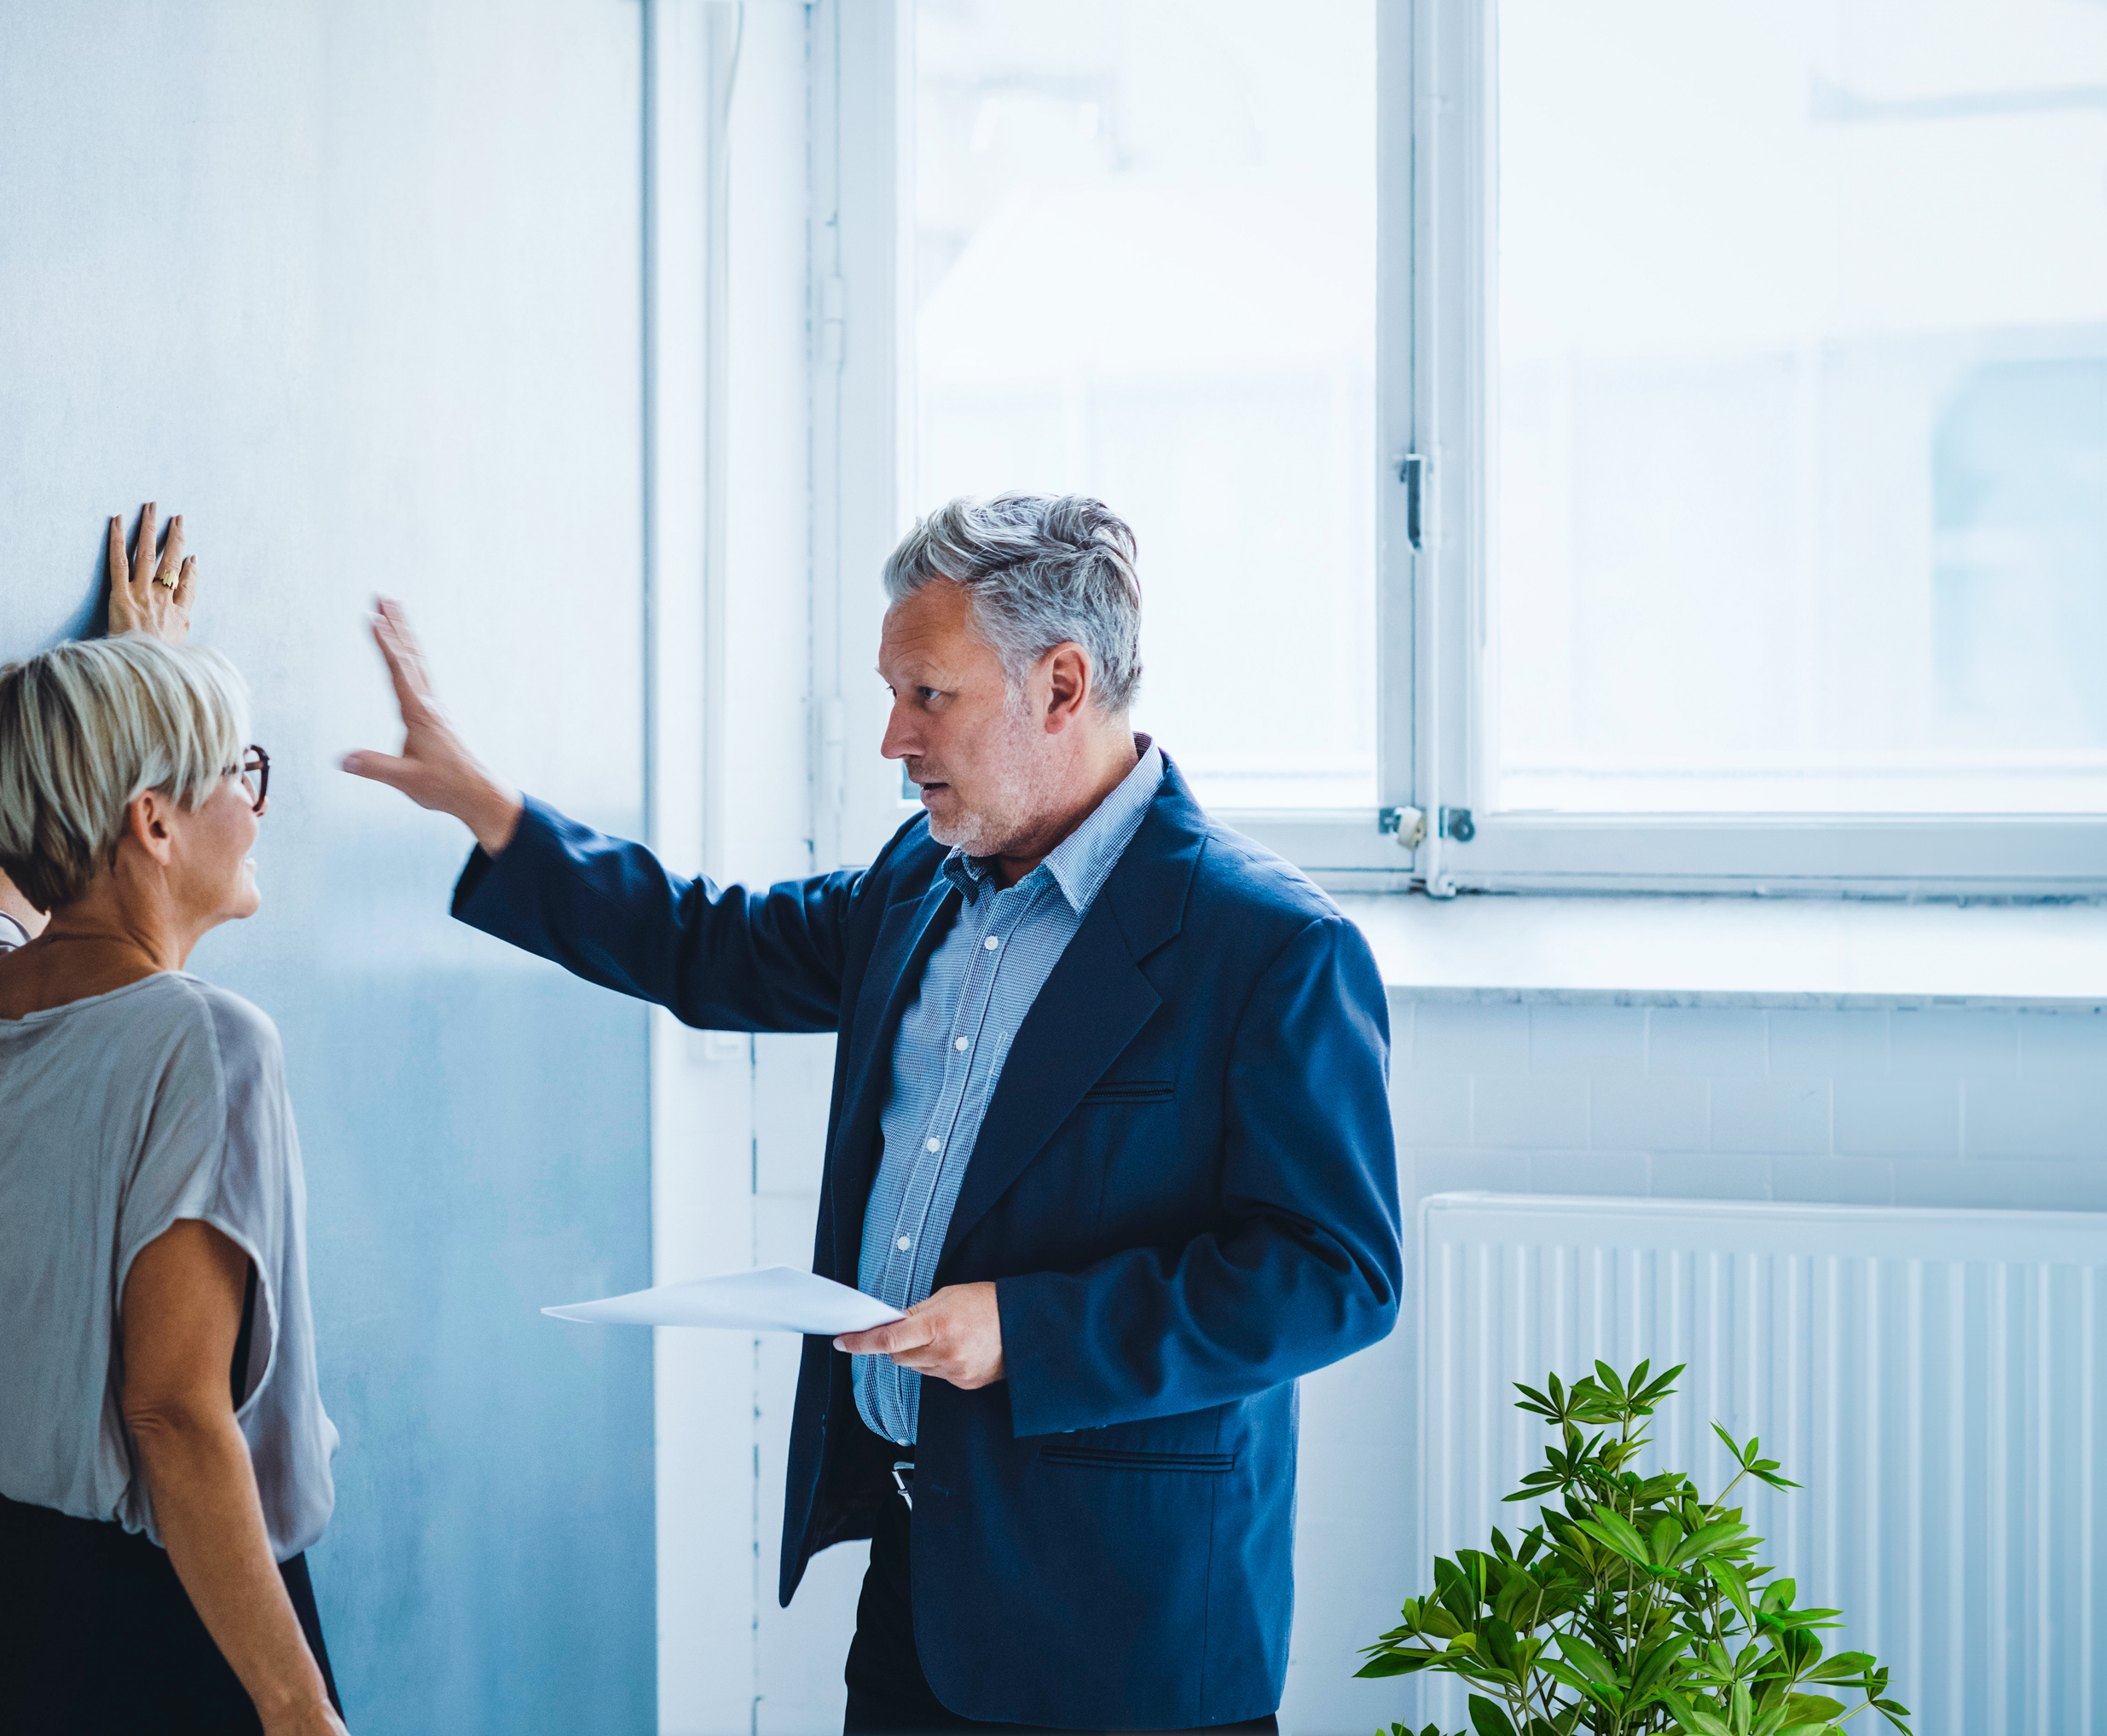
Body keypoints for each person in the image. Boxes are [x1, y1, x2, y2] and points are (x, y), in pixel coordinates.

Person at [344, 494, 1400, 1734]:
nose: (894, 738)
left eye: (927, 696)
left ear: (1060, 686)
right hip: (920, 1584)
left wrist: (1027, 1328)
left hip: (1126, 1621)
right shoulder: (919, 880)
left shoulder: (1271, 948)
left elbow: (1331, 1274)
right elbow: (707, 944)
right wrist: (492, 814)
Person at [0, 505, 349, 1736]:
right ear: (152, 820)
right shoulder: (204, 1040)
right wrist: (294, 1706)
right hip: (178, 1623)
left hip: (9, 1610)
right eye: (237, 772)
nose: (257, 806)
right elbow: (170, 1410)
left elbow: (17, 875)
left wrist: (120, 678)